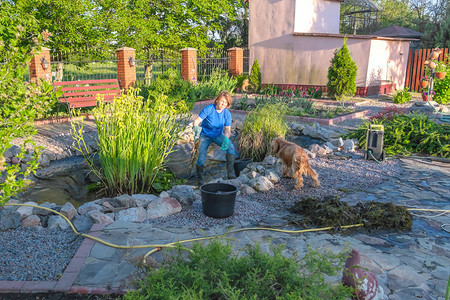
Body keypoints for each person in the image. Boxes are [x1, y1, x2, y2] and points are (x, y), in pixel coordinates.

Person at [193, 91, 236, 185]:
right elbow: (196, 122)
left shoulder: (226, 113)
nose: (223, 104)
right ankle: (200, 180)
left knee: (231, 147)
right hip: (204, 136)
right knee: (201, 158)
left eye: (226, 102)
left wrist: (226, 139)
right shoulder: (209, 109)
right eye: (222, 101)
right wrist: (196, 134)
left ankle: (231, 174)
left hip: (217, 135)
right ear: (217, 100)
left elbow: (228, 129)